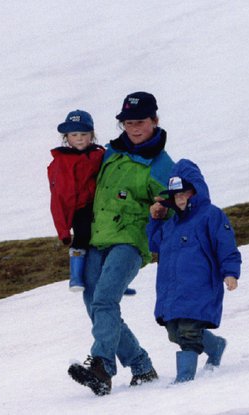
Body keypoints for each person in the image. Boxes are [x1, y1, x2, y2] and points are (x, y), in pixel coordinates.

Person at [68, 92, 174, 395]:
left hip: (130, 242)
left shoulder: (162, 165)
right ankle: (141, 366)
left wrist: (162, 210)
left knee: (104, 300)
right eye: (127, 122)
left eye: (140, 122)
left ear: (154, 120)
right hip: (96, 238)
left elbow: (176, 203)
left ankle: (101, 367)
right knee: (95, 303)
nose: (134, 128)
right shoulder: (110, 153)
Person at [147, 159, 241, 383]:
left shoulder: (211, 215)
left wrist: (230, 272)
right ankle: (216, 346)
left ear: (195, 191)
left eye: (184, 193)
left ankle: (184, 379)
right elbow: (154, 244)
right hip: (172, 290)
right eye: (175, 195)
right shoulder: (170, 225)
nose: (180, 199)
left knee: (189, 334)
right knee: (175, 332)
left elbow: (226, 245)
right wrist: (156, 220)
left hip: (200, 287)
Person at [48, 109, 104, 291]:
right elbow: (58, 198)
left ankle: (111, 279)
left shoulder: (100, 155)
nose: (79, 138)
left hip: (101, 206)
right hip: (79, 209)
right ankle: (76, 277)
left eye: (84, 134)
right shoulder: (61, 162)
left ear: (92, 135)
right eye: (74, 134)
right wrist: (63, 230)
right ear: (67, 138)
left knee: (106, 240)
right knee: (82, 238)